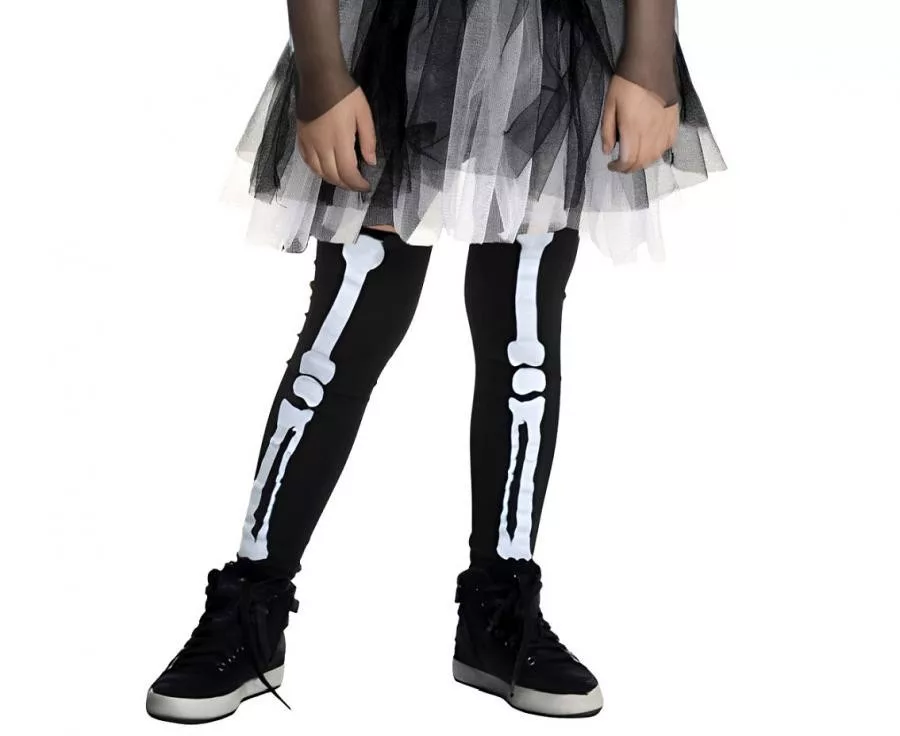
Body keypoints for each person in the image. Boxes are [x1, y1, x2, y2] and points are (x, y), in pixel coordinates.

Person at [146, 0, 725, 723]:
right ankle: (251, 604)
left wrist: (650, 52)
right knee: (349, 324)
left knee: (523, 330)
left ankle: (498, 605)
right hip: (398, 26)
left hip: (551, 34)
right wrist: (321, 66)